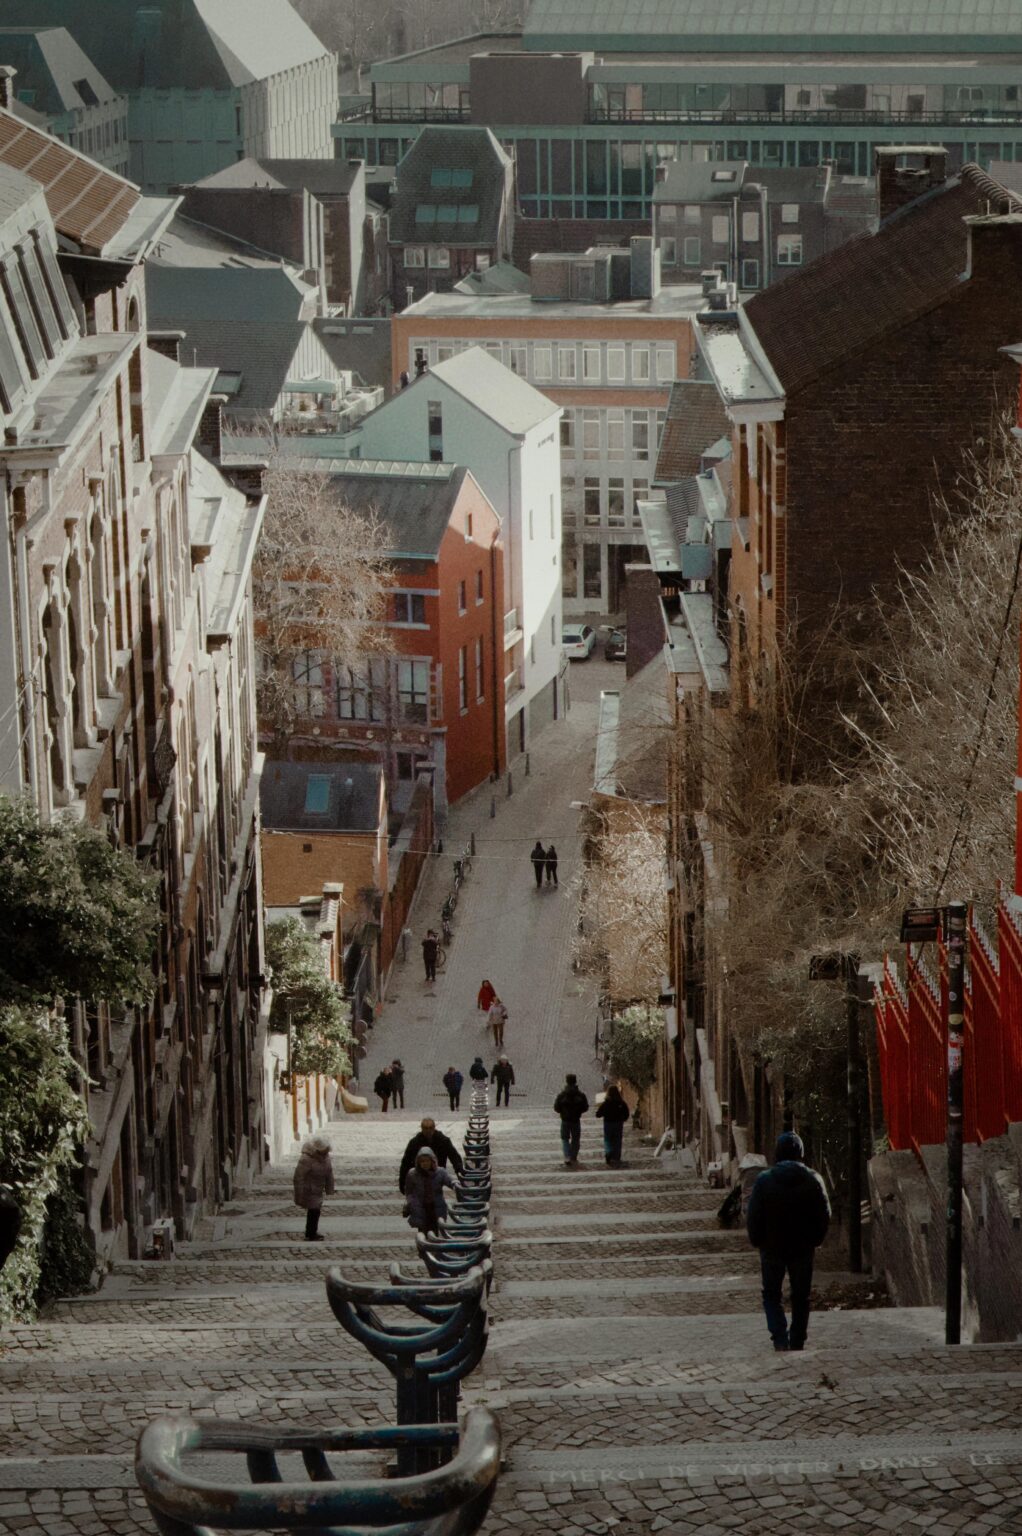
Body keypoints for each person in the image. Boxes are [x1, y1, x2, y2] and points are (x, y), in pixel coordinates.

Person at [747, 1131, 831, 1352]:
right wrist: (816, 1239)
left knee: (772, 1294)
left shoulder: (764, 1181)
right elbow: (824, 1214)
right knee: (801, 1295)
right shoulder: (814, 1180)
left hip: (771, 1246)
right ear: (801, 1153)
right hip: (802, 1247)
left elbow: (754, 1214)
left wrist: (757, 1240)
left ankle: (779, 1338)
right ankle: (798, 1339)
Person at [398, 1117, 465, 1193]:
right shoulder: (414, 1142)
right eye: (426, 1128)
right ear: (422, 1128)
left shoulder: (443, 1140)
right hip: (419, 1175)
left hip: (436, 1175)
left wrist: (459, 1171)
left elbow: (454, 1157)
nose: (428, 1131)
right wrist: (402, 1182)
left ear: (434, 1128)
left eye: (430, 1128)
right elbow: (406, 1162)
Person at [402, 1147, 458, 1236]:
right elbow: (409, 1191)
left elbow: (449, 1180)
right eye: (422, 1161)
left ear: (432, 1161)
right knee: (422, 1232)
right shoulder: (412, 1174)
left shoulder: (440, 1172)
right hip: (420, 1207)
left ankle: (433, 1246)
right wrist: (411, 1202)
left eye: (427, 1161)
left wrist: (455, 1184)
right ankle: (423, 1248)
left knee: (435, 1230)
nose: (425, 1164)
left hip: (435, 1207)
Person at [292, 1135, 334, 1242]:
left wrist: (329, 1189)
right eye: (324, 1150)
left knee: (315, 1211)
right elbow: (298, 1177)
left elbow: (329, 1173)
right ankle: (311, 1233)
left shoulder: (326, 1158)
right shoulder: (306, 1159)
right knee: (314, 1211)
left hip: (318, 1189)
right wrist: (299, 1194)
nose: (326, 1152)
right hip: (309, 1189)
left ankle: (312, 1232)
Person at [554, 1073, 589, 1166]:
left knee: (565, 1138)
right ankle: (573, 1156)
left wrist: (562, 1111)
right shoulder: (580, 1095)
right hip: (576, 1120)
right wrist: (579, 1111)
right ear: (575, 1081)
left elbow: (556, 1108)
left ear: (567, 1081)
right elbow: (585, 1107)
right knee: (576, 1139)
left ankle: (567, 1156)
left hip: (565, 1120)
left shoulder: (562, 1095)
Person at [595, 1083, 630, 1166]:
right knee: (617, 1140)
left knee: (608, 1139)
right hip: (618, 1123)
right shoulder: (621, 1103)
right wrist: (623, 1119)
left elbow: (598, 1114)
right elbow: (626, 1113)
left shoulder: (606, 1103)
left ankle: (608, 1151)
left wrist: (600, 1113)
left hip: (608, 1123)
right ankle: (616, 1156)